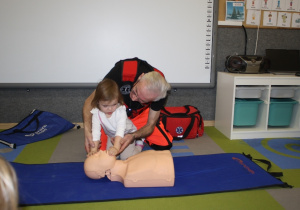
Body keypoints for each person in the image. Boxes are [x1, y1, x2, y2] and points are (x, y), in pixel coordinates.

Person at [83, 57, 173, 155]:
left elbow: (150, 124)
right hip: (112, 114)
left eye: (142, 101)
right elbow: (90, 102)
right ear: (140, 77)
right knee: (98, 151)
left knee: (164, 144)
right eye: (135, 92)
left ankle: (139, 140)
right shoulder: (124, 70)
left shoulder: (161, 90)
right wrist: (88, 132)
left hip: (138, 116)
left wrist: (133, 135)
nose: (134, 98)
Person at [88, 78, 143, 160]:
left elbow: (120, 130)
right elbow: (96, 132)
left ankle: (139, 144)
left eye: (114, 104)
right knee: (110, 157)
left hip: (126, 134)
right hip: (112, 136)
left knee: (126, 158)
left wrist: (116, 148)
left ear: (118, 100)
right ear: (97, 102)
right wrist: (93, 149)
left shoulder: (120, 111)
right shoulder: (96, 114)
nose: (110, 109)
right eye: (105, 106)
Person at [84, 150, 175, 187]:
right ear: (101, 172)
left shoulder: (129, 161)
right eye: (98, 156)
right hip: (168, 167)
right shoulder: (130, 175)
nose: (100, 151)